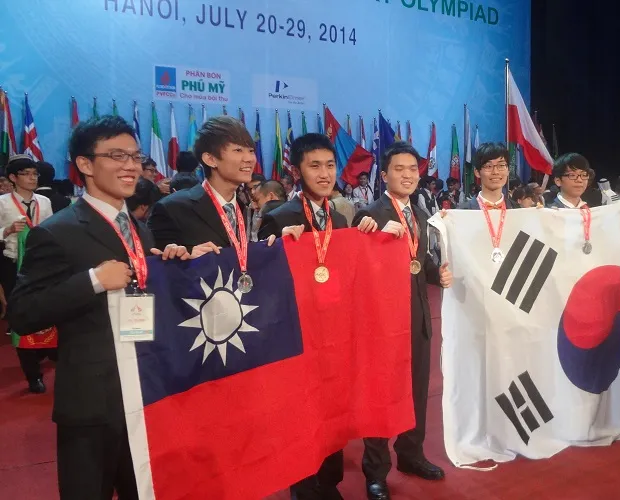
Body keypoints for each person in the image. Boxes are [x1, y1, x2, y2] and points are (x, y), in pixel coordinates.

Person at [7, 115, 190, 499]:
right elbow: (23, 313)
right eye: (117, 156)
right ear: (85, 164)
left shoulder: (138, 229)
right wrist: (92, 280)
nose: (131, 166)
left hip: (145, 392)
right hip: (92, 402)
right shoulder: (57, 231)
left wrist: (173, 265)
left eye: (135, 156)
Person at [256, 133, 378, 500]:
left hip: (335, 330)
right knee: (303, 411)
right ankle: (305, 488)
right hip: (298, 333)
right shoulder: (279, 217)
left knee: (333, 406)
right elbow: (263, 281)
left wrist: (368, 236)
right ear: (296, 171)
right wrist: (278, 248)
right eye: (314, 166)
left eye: (329, 165)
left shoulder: (340, 216)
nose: (324, 174)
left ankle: (329, 483)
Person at [353, 142, 452, 500]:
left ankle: (411, 454)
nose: (408, 175)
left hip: (419, 319)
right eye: (399, 169)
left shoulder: (422, 216)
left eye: (413, 169)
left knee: (417, 392)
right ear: (384, 175)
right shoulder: (368, 216)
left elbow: (419, 263)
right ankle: (376, 471)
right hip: (383, 323)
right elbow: (359, 269)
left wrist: (437, 274)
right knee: (381, 395)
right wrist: (367, 235)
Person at [148, 116, 265, 252]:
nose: (249, 159)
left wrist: (273, 247)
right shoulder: (172, 208)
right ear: (210, 159)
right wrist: (189, 259)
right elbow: (153, 262)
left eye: (251, 151)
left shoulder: (246, 211)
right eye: (238, 150)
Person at [0, 155, 55, 392]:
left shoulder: (44, 201)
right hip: (13, 265)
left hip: (42, 265)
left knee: (47, 312)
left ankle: (46, 350)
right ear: (13, 178)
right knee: (20, 318)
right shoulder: (3, 203)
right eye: (26, 174)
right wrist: (7, 230)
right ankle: (33, 375)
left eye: (35, 174)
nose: (32, 178)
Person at [458, 143, 518, 210]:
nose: (495, 172)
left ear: (508, 170)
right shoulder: (463, 212)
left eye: (501, 165)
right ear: (477, 172)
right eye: (489, 166)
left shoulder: (518, 211)